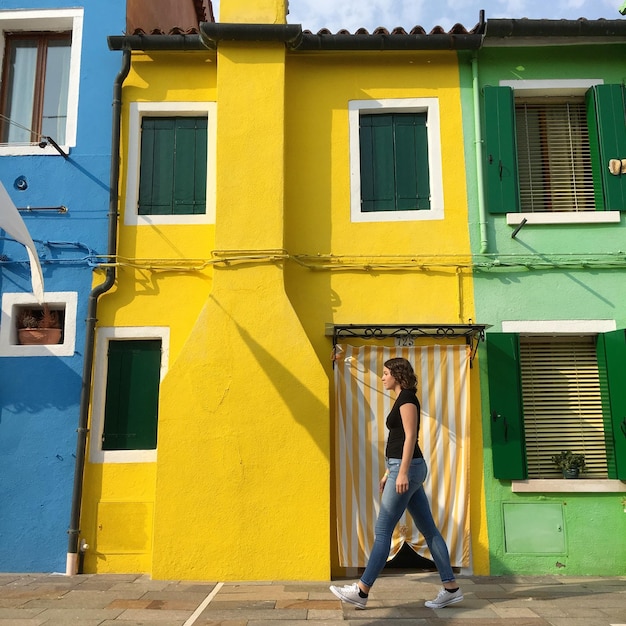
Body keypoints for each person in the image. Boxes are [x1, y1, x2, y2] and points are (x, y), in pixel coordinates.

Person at [330, 357, 463, 610]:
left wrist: (400, 473)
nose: (382, 377)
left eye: (386, 372)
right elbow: (398, 437)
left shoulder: (408, 399)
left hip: (408, 469)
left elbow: (411, 436)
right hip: (402, 468)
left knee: (382, 531)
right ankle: (451, 588)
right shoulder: (402, 398)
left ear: (397, 375)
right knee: (430, 530)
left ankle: (362, 590)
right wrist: (387, 471)